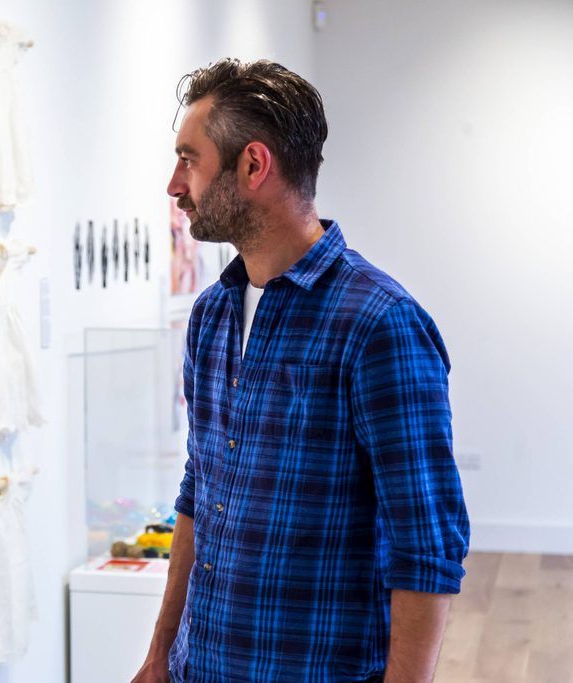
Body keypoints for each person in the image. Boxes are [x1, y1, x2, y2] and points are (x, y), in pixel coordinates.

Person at [132, 59, 470, 683]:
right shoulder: (210, 316)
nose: (174, 185)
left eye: (189, 158)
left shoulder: (380, 324)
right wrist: (159, 656)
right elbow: (196, 496)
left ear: (253, 166)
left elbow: (428, 546)